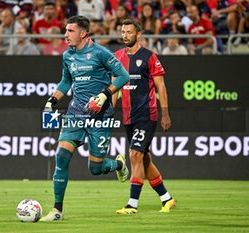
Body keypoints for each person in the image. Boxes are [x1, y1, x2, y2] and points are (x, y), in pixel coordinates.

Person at [40, 15, 130, 222]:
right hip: (75, 113)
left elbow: (124, 76)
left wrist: (104, 95)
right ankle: (57, 210)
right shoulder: (67, 56)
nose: (65, 35)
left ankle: (118, 165)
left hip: (100, 115)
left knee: (95, 168)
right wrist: (52, 100)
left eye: (70, 31)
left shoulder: (101, 53)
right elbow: (65, 82)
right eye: (66, 31)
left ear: (83, 33)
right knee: (61, 157)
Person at [113, 19, 175, 214]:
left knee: (135, 155)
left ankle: (132, 204)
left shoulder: (149, 56)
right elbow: (114, 87)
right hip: (128, 116)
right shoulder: (116, 58)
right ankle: (167, 198)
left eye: (129, 32)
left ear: (138, 34)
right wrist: (108, 111)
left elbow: (161, 86)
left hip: (147, 114)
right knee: (145, 159)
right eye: (123, 32)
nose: (125, 35)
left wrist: (165, 113)